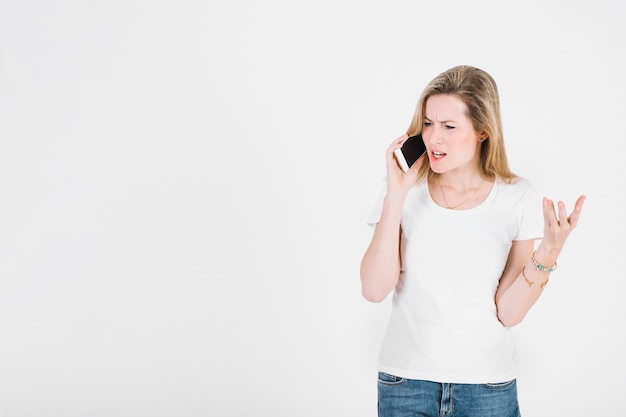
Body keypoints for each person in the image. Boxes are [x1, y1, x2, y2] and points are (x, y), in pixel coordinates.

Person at [360, 65, 585, 417]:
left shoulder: (517, 197)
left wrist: (548, 253)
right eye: (429, 123)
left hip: (486, 389)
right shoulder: (403, 192)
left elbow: (508, 313)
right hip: (405, 385)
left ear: (483, 131)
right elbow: (374, 289)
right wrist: (396, 193)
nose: (434, 138)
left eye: (449, 127)